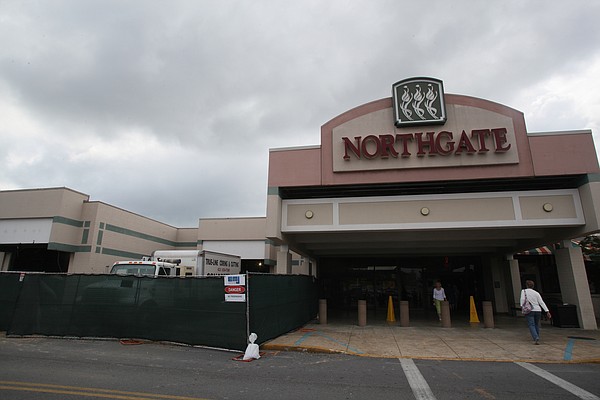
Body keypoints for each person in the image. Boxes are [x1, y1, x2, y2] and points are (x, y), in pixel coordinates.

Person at [520, 280, 552, 345]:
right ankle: (537, 336)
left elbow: (522, 299)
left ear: (526, 285)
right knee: (536, 324)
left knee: (531, 324)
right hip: (538, 310)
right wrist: (547, 311)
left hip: (529, 310)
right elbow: (541, 302)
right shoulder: (536, 293)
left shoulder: (524, 291)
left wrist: (522, 306)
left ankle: (535, 337)